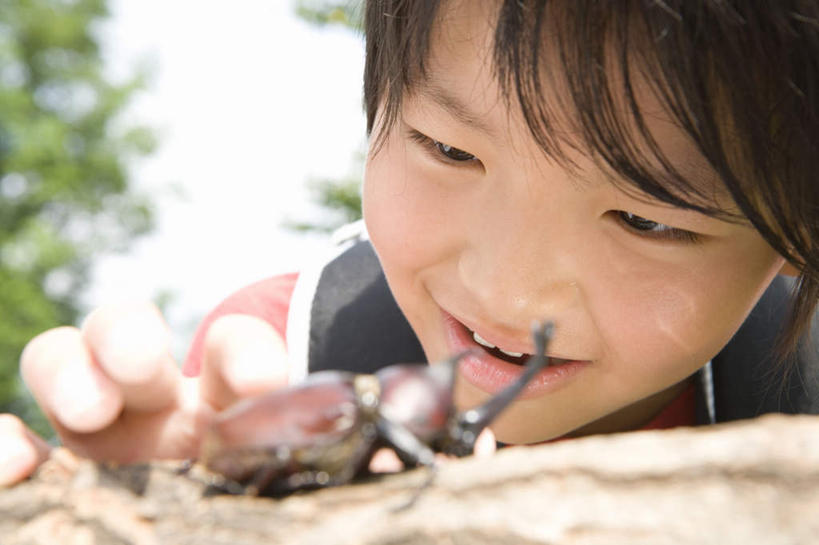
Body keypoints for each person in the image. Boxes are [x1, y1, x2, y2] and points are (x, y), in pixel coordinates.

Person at [3, 0, 819, 487]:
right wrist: (118, 489)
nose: (507, 290)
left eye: (646, 219)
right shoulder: (276, 356)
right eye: (449, 150)